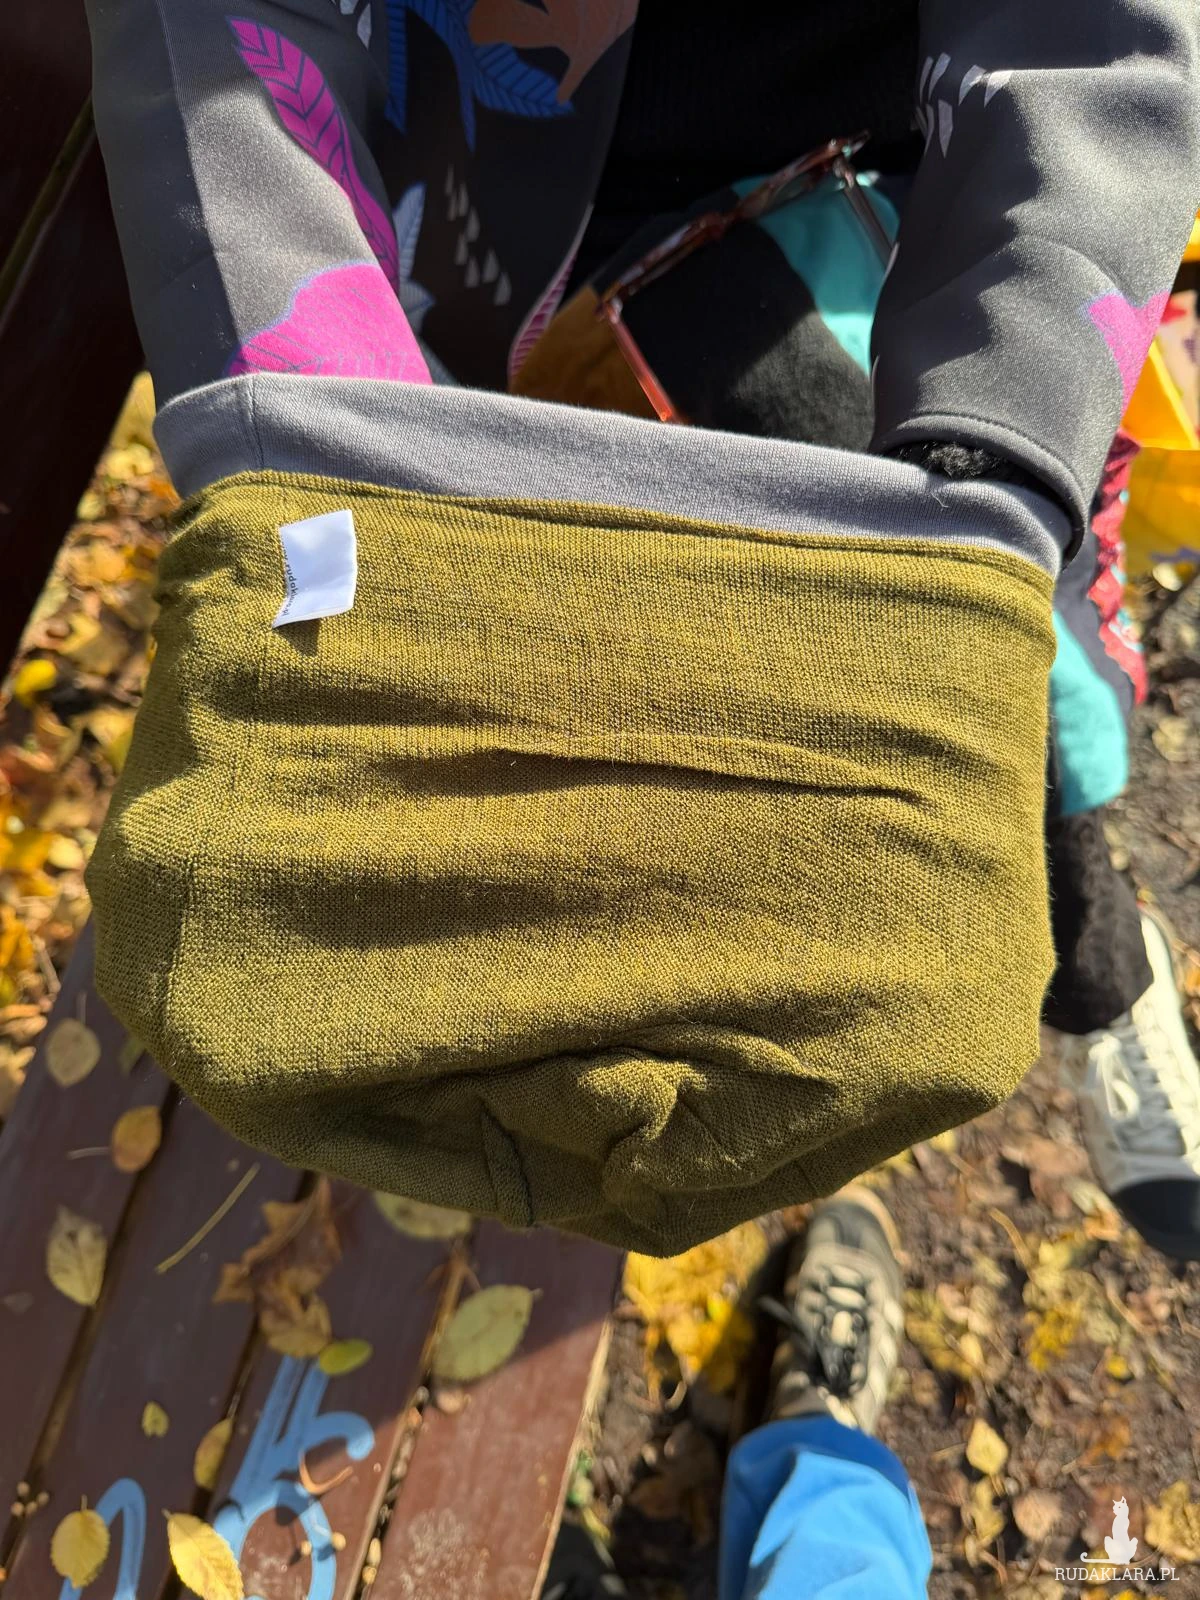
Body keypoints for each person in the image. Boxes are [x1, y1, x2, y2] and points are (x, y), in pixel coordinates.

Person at [79, 0, 1200, 1253]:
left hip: (841, 227)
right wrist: (309, 439)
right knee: (923, 682)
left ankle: (1103, 979)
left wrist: (998, 460)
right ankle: (1093, 963)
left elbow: (1088, 39)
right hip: (434, 239)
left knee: (999, 691)